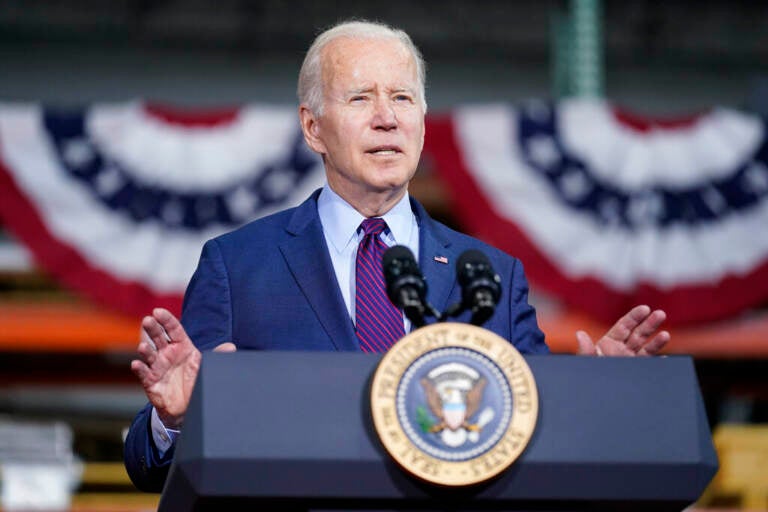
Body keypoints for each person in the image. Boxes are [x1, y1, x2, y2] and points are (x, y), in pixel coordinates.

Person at [123, 20, 670, 492]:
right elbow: (150, 469)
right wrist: (173, 419)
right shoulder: (237, 266)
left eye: (403, 98)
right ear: (313, 128)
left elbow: (535, 431)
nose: (387, 117)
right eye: (361, 98)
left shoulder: (490, 276)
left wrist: (597, 397)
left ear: (423, 123)